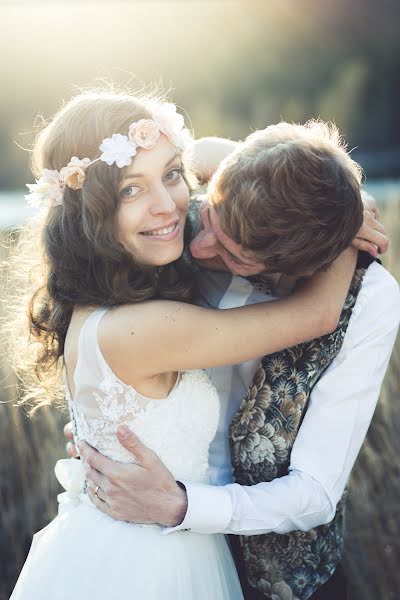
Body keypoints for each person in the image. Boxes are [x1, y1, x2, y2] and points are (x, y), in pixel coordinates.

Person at [7, 91, 363, 600]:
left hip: (144, 545)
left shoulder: (103, 304)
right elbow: (317, 314)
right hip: (145, 567)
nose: (167, 205)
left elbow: (214, 153)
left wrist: (301, 186)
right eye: (131, 190)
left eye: (172, 175)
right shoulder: (140, 330)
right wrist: (343, 219)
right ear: (89, 211)